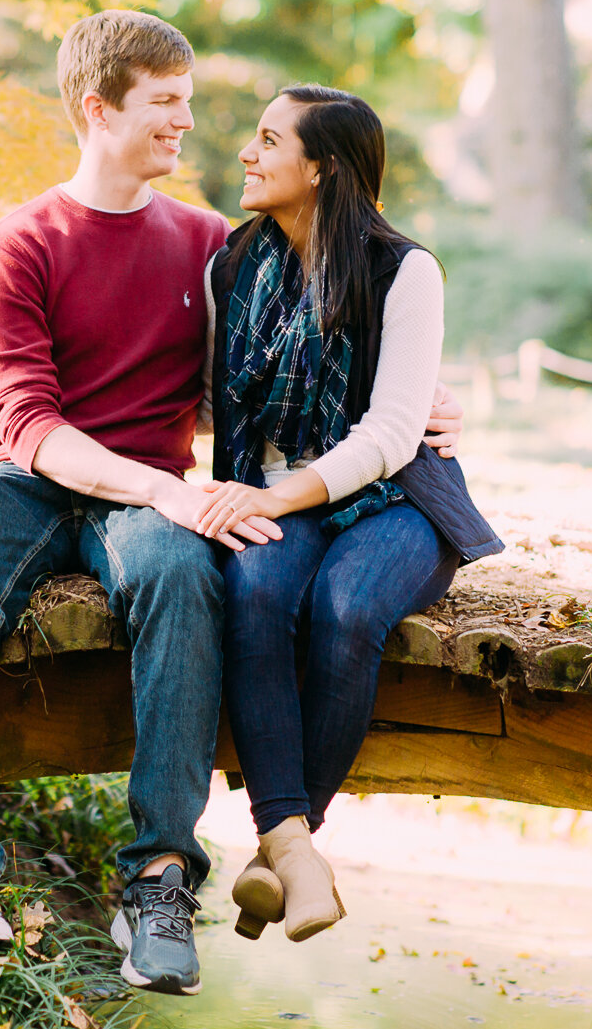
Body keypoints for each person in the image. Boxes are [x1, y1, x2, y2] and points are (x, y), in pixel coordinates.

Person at [0, 13, 466, 997]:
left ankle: (158, 879)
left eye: (188, 101)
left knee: (184, 585)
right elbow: (27, 421)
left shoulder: (212, 250)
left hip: (150, 487)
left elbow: (299, 340)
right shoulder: (17, 242)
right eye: (166, 104)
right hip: (34, 474)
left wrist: (421, 398)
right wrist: (163, 492)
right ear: (98, 110)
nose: (190, 124)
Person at [192, 85, 504, 944]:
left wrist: (272, 496)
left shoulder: (404, 269)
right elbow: (216, 403)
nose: (247, 155)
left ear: (322, 165)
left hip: (398, 496)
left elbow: (393, 434)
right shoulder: (233, 265)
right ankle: (292, 854)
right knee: (255, 592)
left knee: (346, 607)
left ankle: (280, 846)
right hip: (279, 491)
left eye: (267, 140)